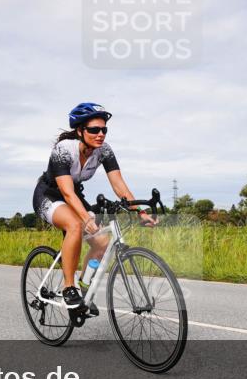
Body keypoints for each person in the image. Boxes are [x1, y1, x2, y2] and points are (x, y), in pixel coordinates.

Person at [32, 102, 156, 307]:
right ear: (80, 131)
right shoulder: (63, 150)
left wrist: (139, 211)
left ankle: (84, 285)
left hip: (74, 196)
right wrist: (85, 218)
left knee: (102, 242)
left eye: (104, 130)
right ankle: (69, 288)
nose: (101, 134)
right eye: (94, 130)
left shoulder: (104, 151)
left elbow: (119, 185)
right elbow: (66, 192)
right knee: (75, 224)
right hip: (49, 195)